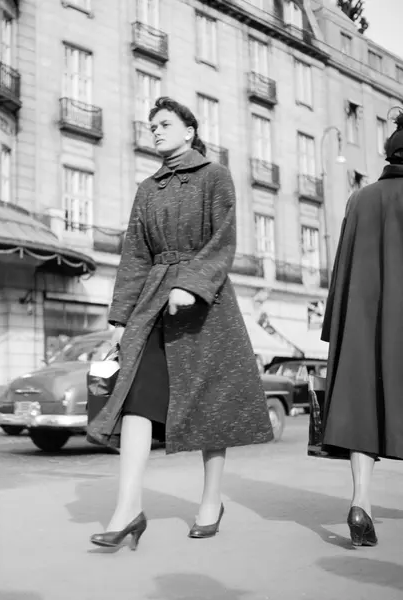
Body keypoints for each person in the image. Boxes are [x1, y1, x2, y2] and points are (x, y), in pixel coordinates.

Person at [87, 96, 274, 550]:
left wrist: (191, 283)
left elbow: (223, 239)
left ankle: (211, 500)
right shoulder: (147, 189)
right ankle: (128, 509)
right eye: (152, 125)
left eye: (165, 123)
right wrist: (119, 319)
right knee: (136, 398)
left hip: (207, 305)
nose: (156, 130)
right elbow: (134, 255)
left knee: (211, 402)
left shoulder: (215, 176)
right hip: (153, 302)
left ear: (189, 132)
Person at [319, 111, 403, 548]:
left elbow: (343, 267)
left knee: (364, 412)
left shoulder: (360, 199)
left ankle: (360, 504)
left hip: (365, 328)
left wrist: (336, 328)